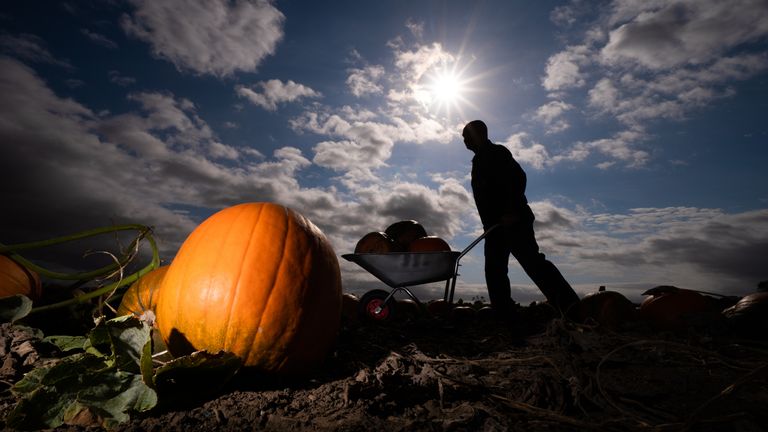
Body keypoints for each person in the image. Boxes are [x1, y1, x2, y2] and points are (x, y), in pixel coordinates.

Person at [462, 120, 580, 319]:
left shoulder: (497, 153)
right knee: (494, 270)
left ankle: (572, 309)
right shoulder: (479, 161)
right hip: (494, 227)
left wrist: (511, 210)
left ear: (478, 135)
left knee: (533, 263)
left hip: (513, 221)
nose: (464, 142)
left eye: (466, 136)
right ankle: (504, 316)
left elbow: (518, 178)